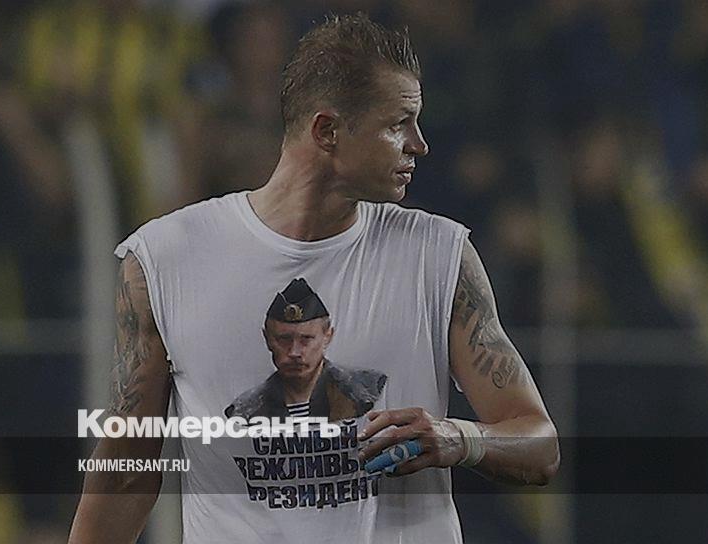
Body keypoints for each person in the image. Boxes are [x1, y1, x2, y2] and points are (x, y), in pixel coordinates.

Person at [69, 13, 558, 544]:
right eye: (398, 124)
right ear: (327, 131)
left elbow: (539, 443)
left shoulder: (437, 256)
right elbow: (124, 473)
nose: (419, 144)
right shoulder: (164, 260)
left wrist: (458, 438)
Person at [224, 278, 387, 421]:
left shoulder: (365, 390)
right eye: (284, 339)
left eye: (306, 339)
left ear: (328, 336)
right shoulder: (245, 411)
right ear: (267, 339)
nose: (294, 352)